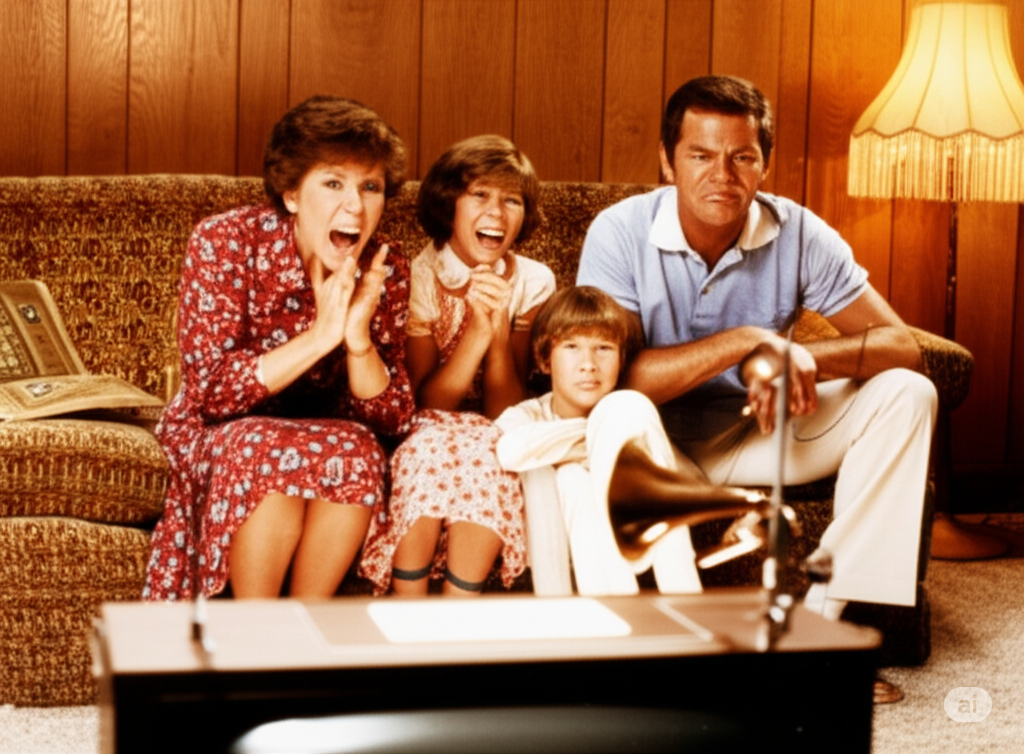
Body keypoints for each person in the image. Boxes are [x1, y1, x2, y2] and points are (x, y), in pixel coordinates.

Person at [577, 75, 937, 624]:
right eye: (700, 155)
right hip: (655, 445)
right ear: (667, 162)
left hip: (758, 431)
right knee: (617, 410)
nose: (722, 176)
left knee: (908, 392)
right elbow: (615, 378)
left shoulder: (800, 233)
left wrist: (808, 359)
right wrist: (750, 342)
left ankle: (829, 624)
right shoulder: (619, 232)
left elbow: (902, 347)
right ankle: (681, 634)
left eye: (742, 157)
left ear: (764, 164)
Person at [143, 96, 414, 600]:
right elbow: (213, 395)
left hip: (329, 435)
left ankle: (303, 634)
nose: (354, 205)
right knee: (263, 450)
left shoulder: (385, 265)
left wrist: (357, 342)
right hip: (224, 432)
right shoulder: (224, 241)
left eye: (369, 187)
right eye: (333, 183)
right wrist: (317, 339)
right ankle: (255, 632)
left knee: (357, 453)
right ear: (291, 194)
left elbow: (392, 419)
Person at [359, 135, 556, 596]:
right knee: (430, 447)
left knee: (495, 452)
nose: (497, 212)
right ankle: (408, 602)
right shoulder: (420, 275)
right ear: (449, 205)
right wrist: (475, 334)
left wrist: (499, 331)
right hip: (428, 423)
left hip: (494, 424)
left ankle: (457, 609)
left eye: (512, 200)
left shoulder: (533, 280)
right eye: (480, 195)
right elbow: (427, 403)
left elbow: (505, 413)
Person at [494, 286, 763, 597]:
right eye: (571, 346)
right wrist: (596, 436)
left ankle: (682, 598)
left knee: (627, 406)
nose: (588, 364)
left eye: (603, 348)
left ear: (621, 360)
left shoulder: (630, 417)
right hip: (555, 544)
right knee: (570, 477)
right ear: (544, 359)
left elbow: (685, 477)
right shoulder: (528, 415)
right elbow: (509, 449)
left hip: (639, 540)